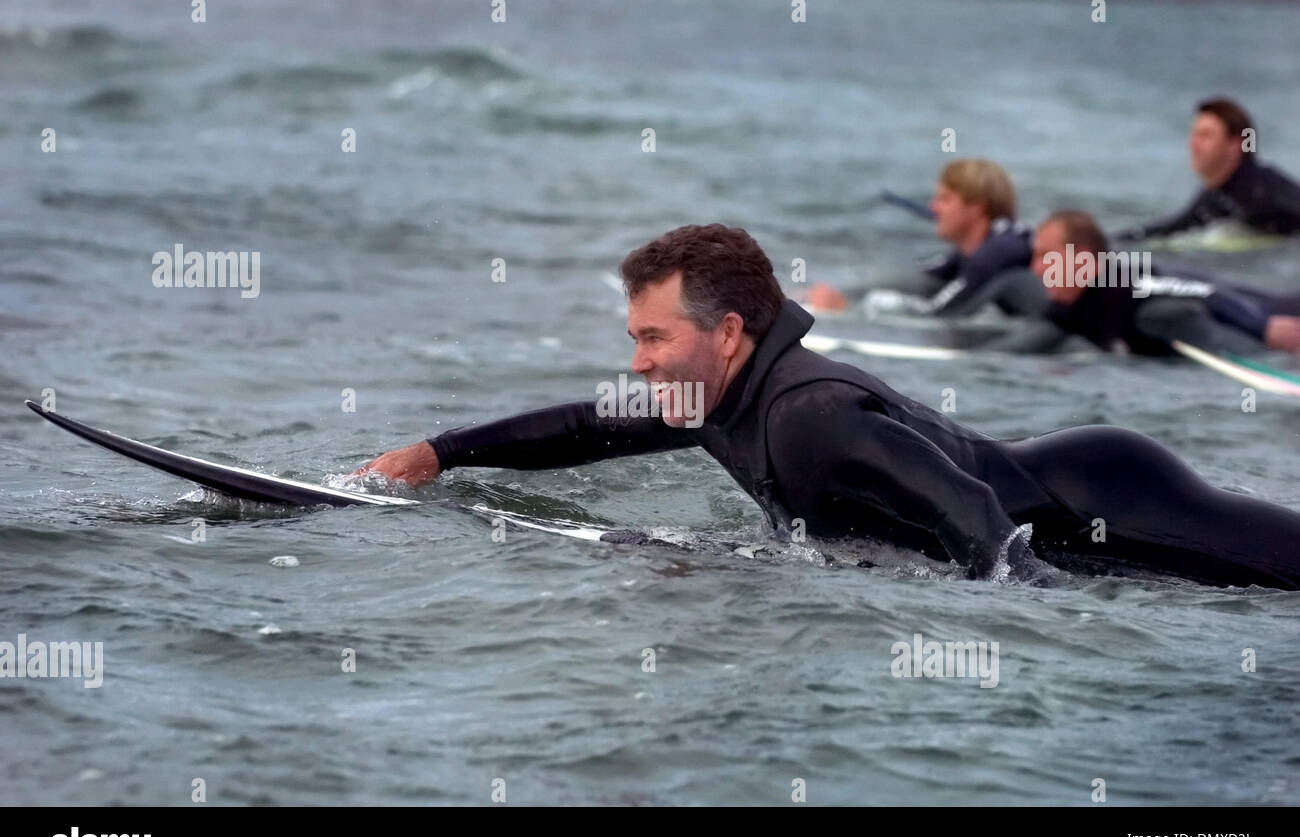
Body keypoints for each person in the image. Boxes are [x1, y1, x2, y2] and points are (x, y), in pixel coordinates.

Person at [359, 224, 1300, 589]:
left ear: (726, 332)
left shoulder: (811, 412)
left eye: (652, 339)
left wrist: (1044, 621)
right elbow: (584, 427)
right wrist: (440, 453)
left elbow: (969, 510)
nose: (636, 363)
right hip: (1057, 512)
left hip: (1102, 502)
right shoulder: (715, 397)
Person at [988, 210, 1300, 355]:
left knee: (1162, 316)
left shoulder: (1121, 284)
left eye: (1046, 256)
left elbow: (1204, 293)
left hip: (1272, 311)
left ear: (1081, 260)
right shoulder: (1069, 304)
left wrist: (1263, 329)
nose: (1036, 267)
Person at [804, 158, 1046, 318]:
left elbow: (943, 312)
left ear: (977, 208)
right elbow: (915, 280)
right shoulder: (977, 250)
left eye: (945, 199)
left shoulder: (999, 251)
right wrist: (841, 293)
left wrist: (849, 310)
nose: (934, 207)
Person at [1115, 97, 1300, 242]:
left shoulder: (1262, 192)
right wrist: (1110, 242)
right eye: (1194, 134)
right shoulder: (1217, 197)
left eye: (1206, 136)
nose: (1193, 145)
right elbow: (1170, 230)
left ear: (1236, 144)